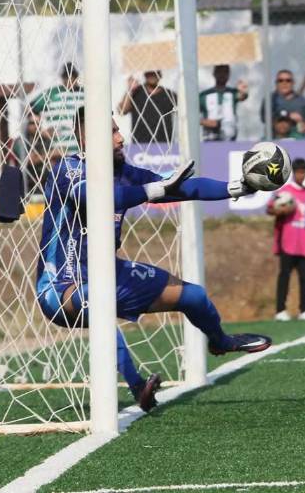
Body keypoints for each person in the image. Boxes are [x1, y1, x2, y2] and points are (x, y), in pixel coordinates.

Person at [35, 107, 271, 412]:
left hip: (108, 273)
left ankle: (221, 341)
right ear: (86, 137)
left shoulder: (127, 174)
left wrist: (235, 187)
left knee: (194, 297)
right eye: (112, 132)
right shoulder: (67, 170)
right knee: (101, 303)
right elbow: (98, 197)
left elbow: (185, 187)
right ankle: (138, 387)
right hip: (62, 285)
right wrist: (154, 189)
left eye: (118, 130)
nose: (121, 139)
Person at [267, 158, 305, 321]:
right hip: (288, 240)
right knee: (284, 275)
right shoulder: (285, 192)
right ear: (293, 173)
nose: (301, 175)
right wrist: (280, 211)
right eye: (298, 172)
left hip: (304, 242)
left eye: (303, 173)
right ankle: (280, 310)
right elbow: (270, 209)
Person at [27, 63, 85, 155]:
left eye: (72, 76)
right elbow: (31, 108)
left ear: (76, 77)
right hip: (59, 151)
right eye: (66, 77)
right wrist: (42, 131)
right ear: (62, 78)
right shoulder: (53, 93)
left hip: (82, 149)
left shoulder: (85, 94)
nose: (69, 80)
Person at [119, 70, 177, 144]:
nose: (152, 75)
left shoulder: (170, 94)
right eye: (150, 72)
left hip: (165, 145)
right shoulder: (136, 92)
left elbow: (183, 115)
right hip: (139, 146)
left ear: (160, 74)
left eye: (155, 72)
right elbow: (122, 111)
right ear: (145, 74)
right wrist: (130, 90)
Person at [261, 69, 305, 140]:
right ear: (276, 83)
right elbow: (264, 118)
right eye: (280, 80)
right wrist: (289, 115)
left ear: (293, 83)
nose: (284, 83)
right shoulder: (270, 100)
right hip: (273, 138)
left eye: (288, 80)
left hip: (296, 137)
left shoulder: (302, 101)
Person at [199, 64, 248, 141]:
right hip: (209, 137)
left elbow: (243, 96)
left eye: (225, 72)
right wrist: (205, 122)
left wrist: (243, 90)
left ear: (229, 74)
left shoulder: (232, 93)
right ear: (214, 73)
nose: (222, 74)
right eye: (219, 71)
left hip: (229, 138)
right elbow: (191, 116)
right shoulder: (204, 95)